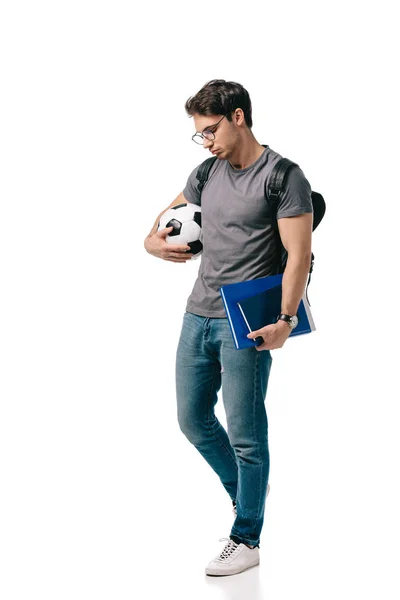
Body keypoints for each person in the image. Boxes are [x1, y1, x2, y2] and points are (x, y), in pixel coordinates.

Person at [144, 79, 313, 576]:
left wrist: (285, 320)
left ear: (239, 117)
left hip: (247, 321)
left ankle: (247, 537)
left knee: (246, 434)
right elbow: (163, 221)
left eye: (211, 130)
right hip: (197, 313)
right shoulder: (206, 171)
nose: (207, 141)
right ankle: (248, 498)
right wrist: (151, 244)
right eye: (200, 134)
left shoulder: (284, 176)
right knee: (192, 419)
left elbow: (299, 255)